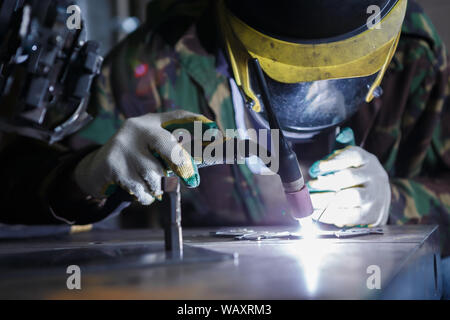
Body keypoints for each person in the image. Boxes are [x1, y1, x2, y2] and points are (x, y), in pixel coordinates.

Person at [0, 0, 449, 256]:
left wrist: (395, 199)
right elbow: (18, 183)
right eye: (284, 76)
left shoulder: (417, 58)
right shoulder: (156, 63)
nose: (315, 92)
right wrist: (88, 173)